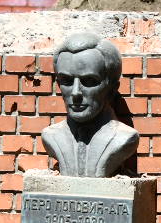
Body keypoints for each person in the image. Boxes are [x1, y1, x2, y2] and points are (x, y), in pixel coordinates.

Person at [41, 32, 138, 178]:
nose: (75, 93)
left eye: (89, 81)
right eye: (66, 81)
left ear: (112, 89)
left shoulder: (124, 138)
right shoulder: (51, 136)